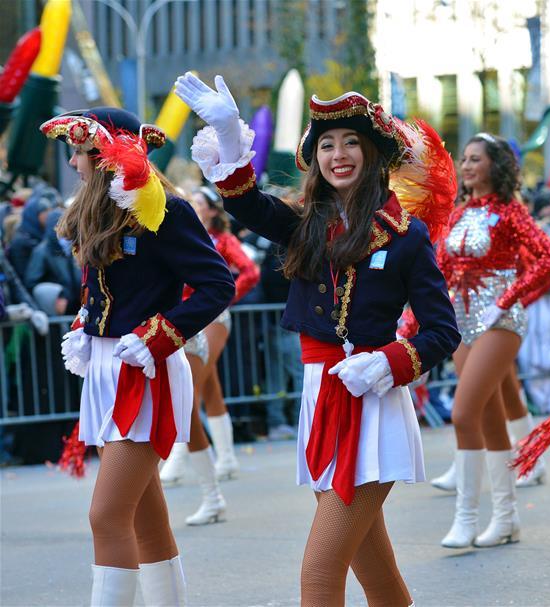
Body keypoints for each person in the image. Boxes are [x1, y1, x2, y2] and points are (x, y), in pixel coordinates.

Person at [176, 73, 459, 606]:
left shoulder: (405, 235)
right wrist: (228, 136)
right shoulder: (307, 225)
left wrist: (389, 361)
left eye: (352, 141)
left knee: (319, 575)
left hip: (371, 407)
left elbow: (442, 329)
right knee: (375, 575)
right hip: (319, 395)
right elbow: (247, 202)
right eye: (326, 144)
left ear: (374, 153)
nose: (339, 154)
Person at [43, 107, 234, 605]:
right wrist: (89, 320)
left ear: (105, 153)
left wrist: (163, 333)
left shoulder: (166, 209)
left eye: (81, 151)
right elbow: (109, 288)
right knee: (147, 520)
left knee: (107, 516)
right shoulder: (97, 208)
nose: (73, 162)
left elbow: (218, 284)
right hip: (106, 369)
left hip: (145, 368)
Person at [438, 132, 550, 549]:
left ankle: (465, 518)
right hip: (461, 320)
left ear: (496, 165)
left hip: (500, 319)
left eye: (477, 159)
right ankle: (507, 518)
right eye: (465, 158)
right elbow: (440, 269)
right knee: (490, 418)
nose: (468, 165)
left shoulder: (510, 211)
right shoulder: (457, 216)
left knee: (463, 413)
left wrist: (508, 297)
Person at [159, 185, 260, 525]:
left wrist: (225, 299)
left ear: (211, 210)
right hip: (181, 321)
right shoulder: (174, 230)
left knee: (190, 396)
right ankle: (226, 459)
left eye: (198, 203)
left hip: (209, 319)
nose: (194, 206)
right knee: (208, 391)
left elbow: (247, 272)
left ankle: (180, 462)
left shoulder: (217, 239)